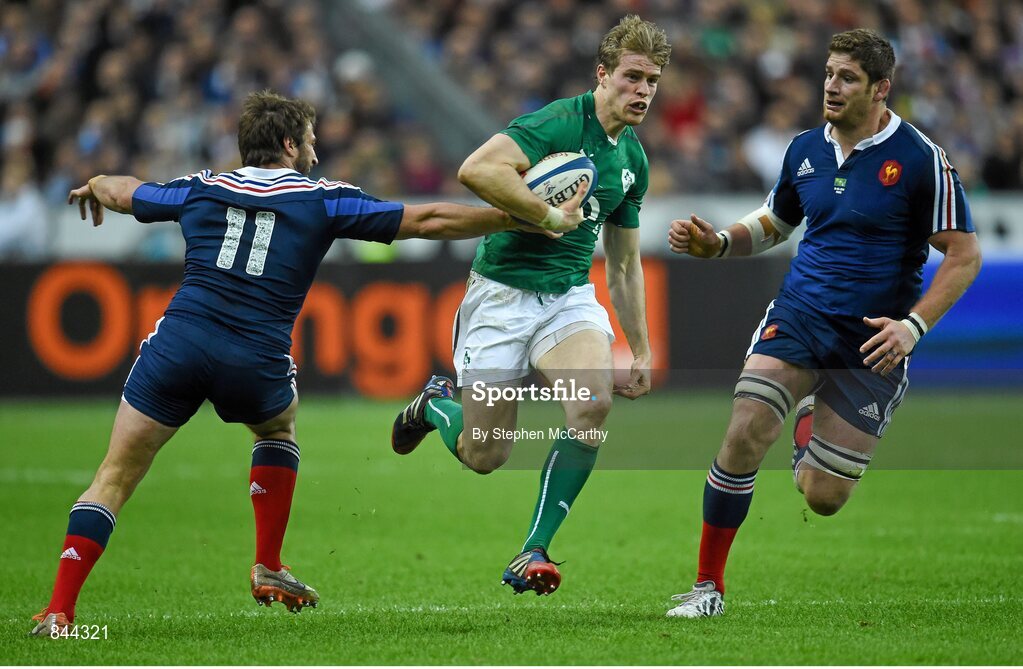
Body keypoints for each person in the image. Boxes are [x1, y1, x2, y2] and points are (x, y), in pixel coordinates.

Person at [29, 90, 579, 637]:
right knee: (278, 428)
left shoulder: (201, 187)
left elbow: (127, 192)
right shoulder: (321, 198)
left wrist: (96, 185)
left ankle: (59, 612)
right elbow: (427, 219)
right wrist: (517, 219)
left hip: (180, 346)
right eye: (311, 141)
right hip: (254, 359)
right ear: (290, 144)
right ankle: (267, 561)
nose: (316, 151)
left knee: (114, 476)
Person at [664, 29, 981, 618]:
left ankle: (812, 421)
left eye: (849, 78)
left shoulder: (920, 159)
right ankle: (708, 586)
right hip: (801, 314)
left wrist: (912, 327)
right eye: (830, 74)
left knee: (824, 495)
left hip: (874, 340)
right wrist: (718, 244)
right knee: (746, 427)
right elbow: (775, 223)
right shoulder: (805, 148)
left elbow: (963, 255)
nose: (832, 86)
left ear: (882, 89)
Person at [390, 15, 670, 596]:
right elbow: (476, 169)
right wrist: (545, 215)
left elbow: (621, 264)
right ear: (602, 75)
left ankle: (534, 550)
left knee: (591, 404)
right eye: (632, 76)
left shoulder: (633, 161)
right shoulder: (556, 122)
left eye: (653, 80)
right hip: (501, 295)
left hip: (567, 299)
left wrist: (639, 346)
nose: (643, 90)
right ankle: (438, 407)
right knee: (485, 454)